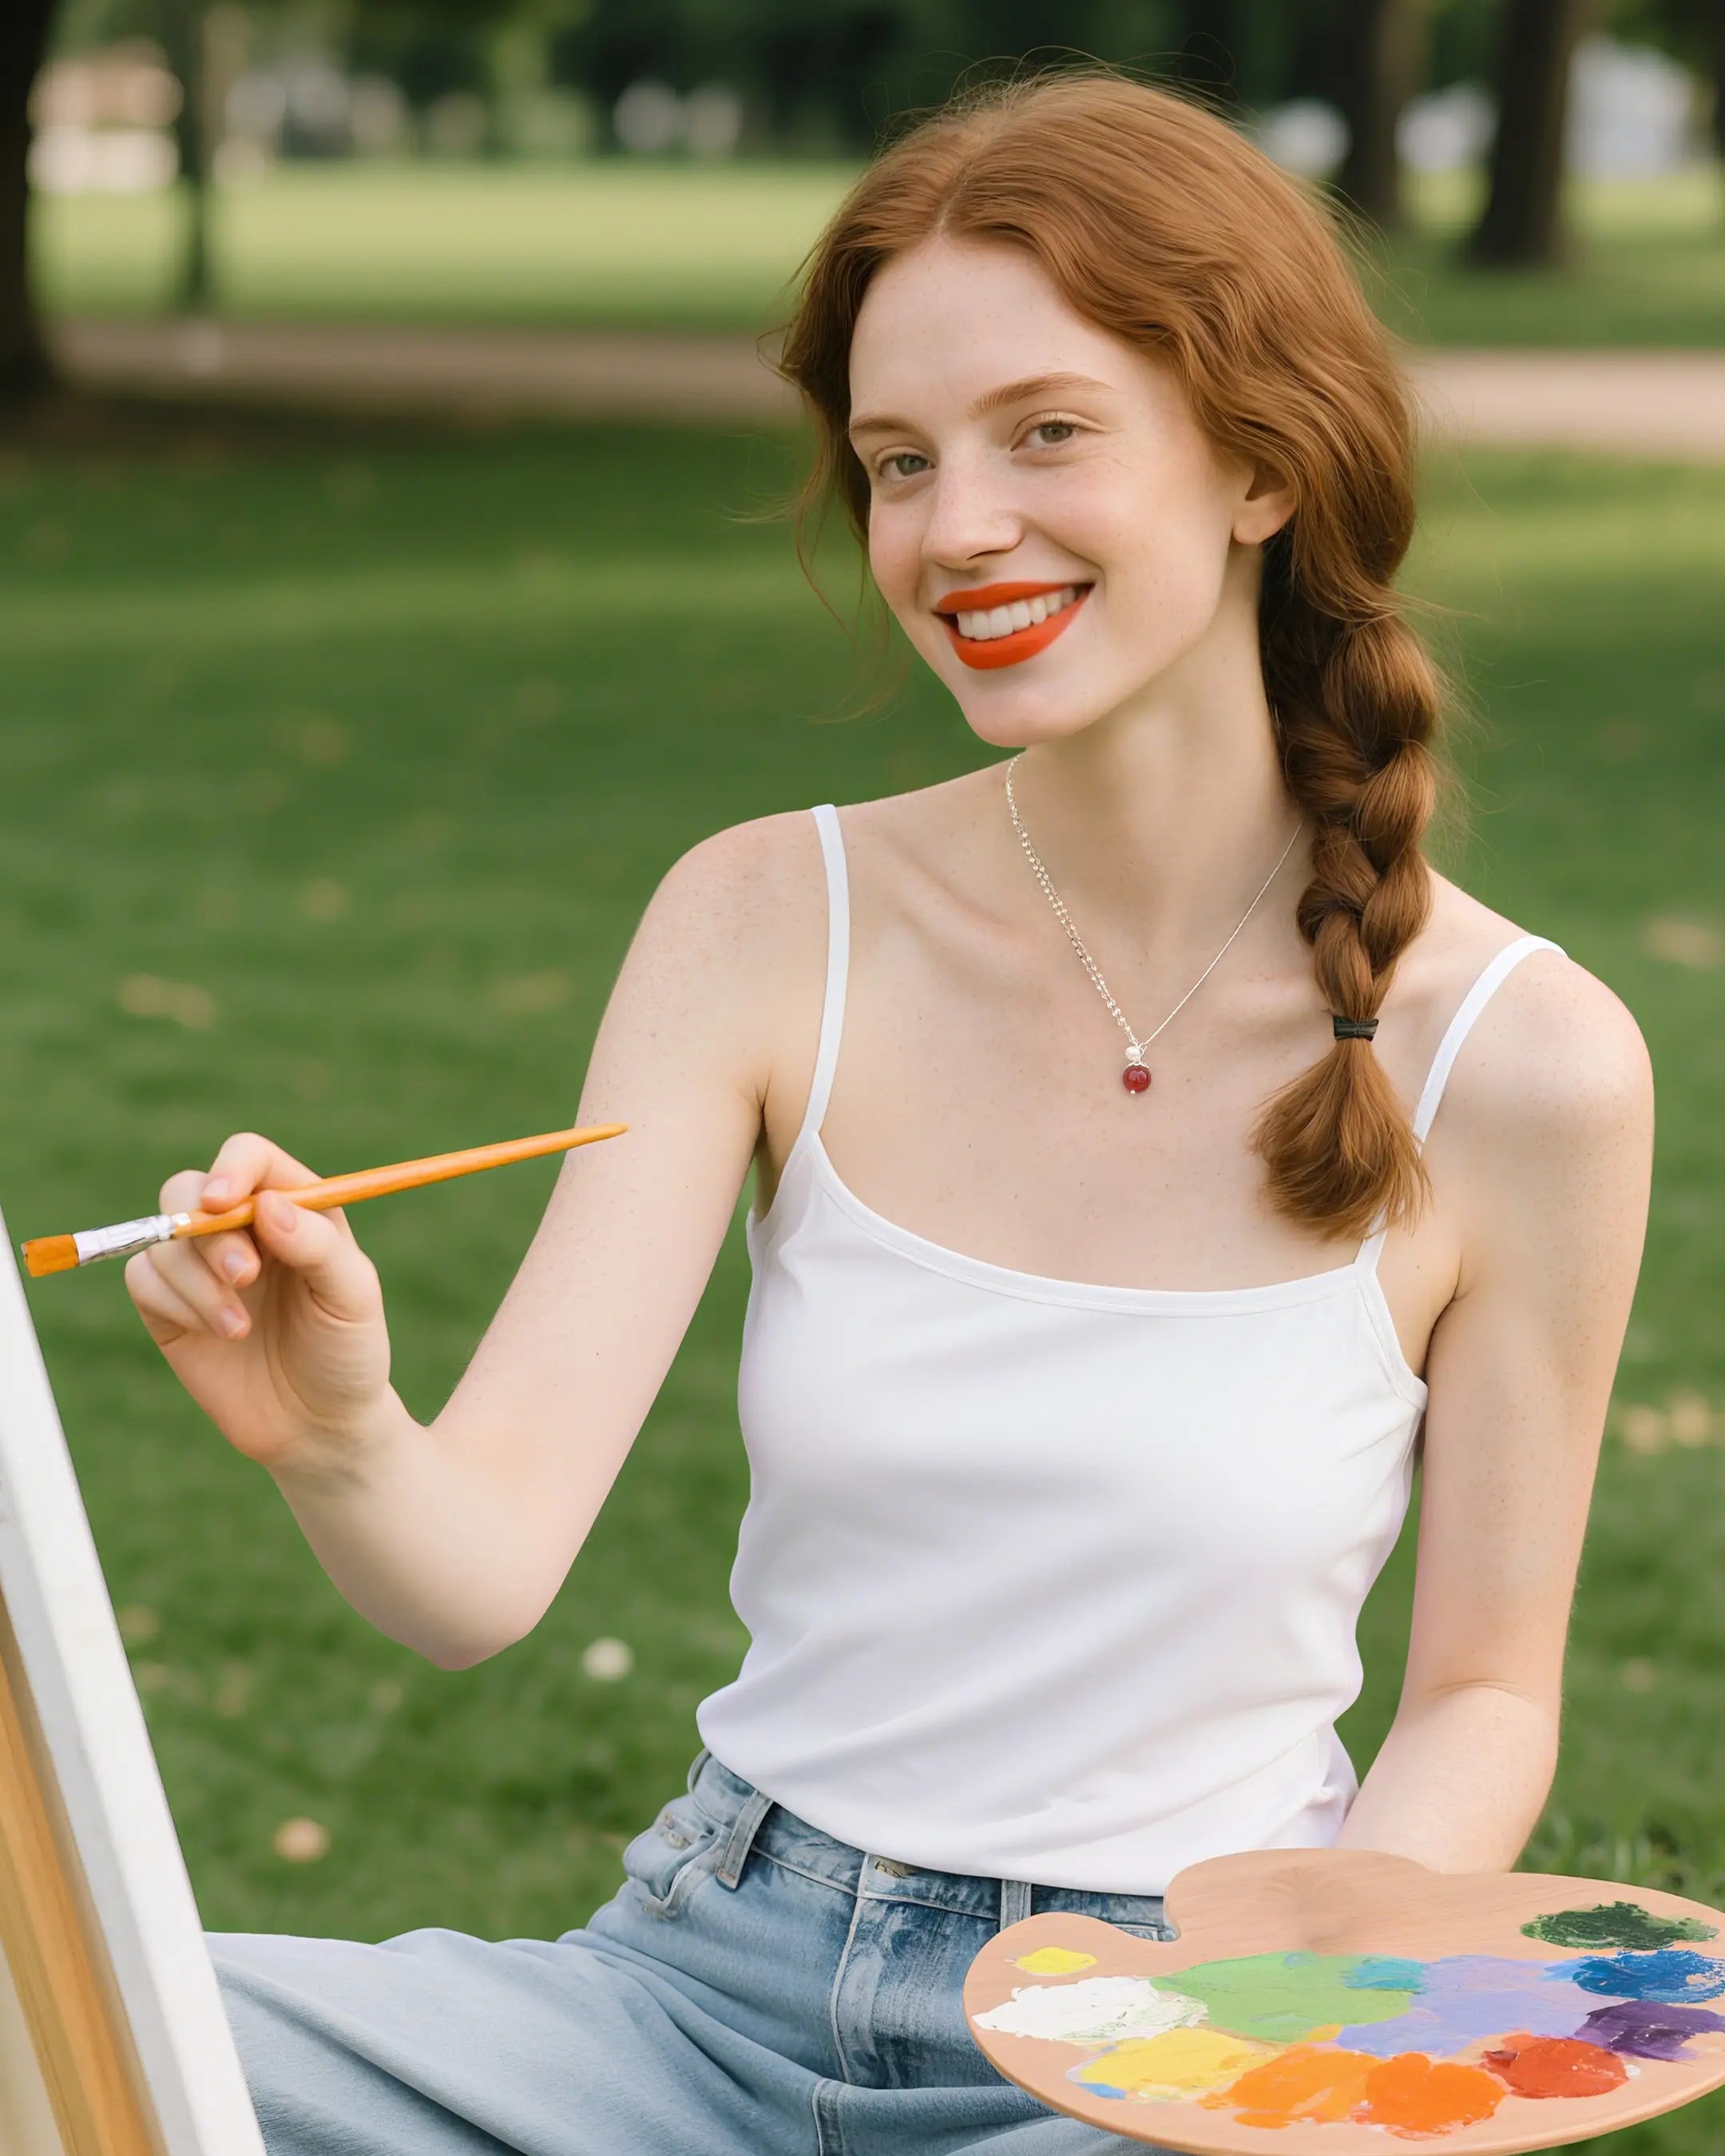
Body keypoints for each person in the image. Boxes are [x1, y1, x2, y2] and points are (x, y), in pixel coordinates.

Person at [125, 69, 1652, 2156]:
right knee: (88, 2023)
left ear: (1260, 465)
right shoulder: (767, 916)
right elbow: (474, 1576)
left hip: (1172, 2033)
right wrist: (339, 1431)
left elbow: (1484, 1691)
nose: (955, 532)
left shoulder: (1530, 1061)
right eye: (898, 460)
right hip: (688, 2001)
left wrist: (1291, 2007)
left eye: (1047, 434)